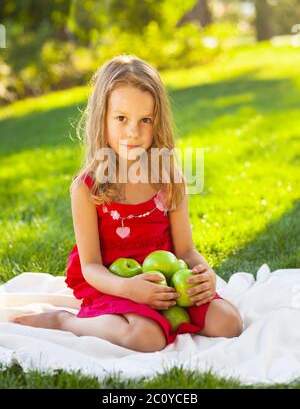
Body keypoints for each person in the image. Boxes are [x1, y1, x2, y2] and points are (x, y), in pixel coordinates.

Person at [12, 54, 243, 352]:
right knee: (147, 338)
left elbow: (186, 250)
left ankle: (160, 311)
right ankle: (64, 322)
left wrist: (204, 274)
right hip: (114, 283)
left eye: (145, 120)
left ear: (158, 121)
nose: (133, 131)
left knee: (229, 323)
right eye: (121, 119)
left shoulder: (168, 178)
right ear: (102, 118)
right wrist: (129, 289)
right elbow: (91, 266)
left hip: (168, 284)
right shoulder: (87, 189)